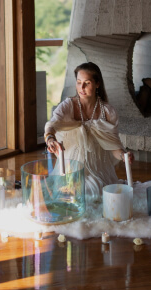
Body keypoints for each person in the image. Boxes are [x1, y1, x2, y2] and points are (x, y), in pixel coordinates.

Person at [44, 62, 134, 199]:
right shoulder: (68, 106)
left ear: (97, 84)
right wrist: (50, 138)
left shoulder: (108, 112)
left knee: (93, 193)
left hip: (97, 166)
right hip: (71, 165)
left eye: (87, 83)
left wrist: (124, 156)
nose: (82, 87)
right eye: (79, 82)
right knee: (66, 193)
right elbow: (51, 124)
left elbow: (113, 145)